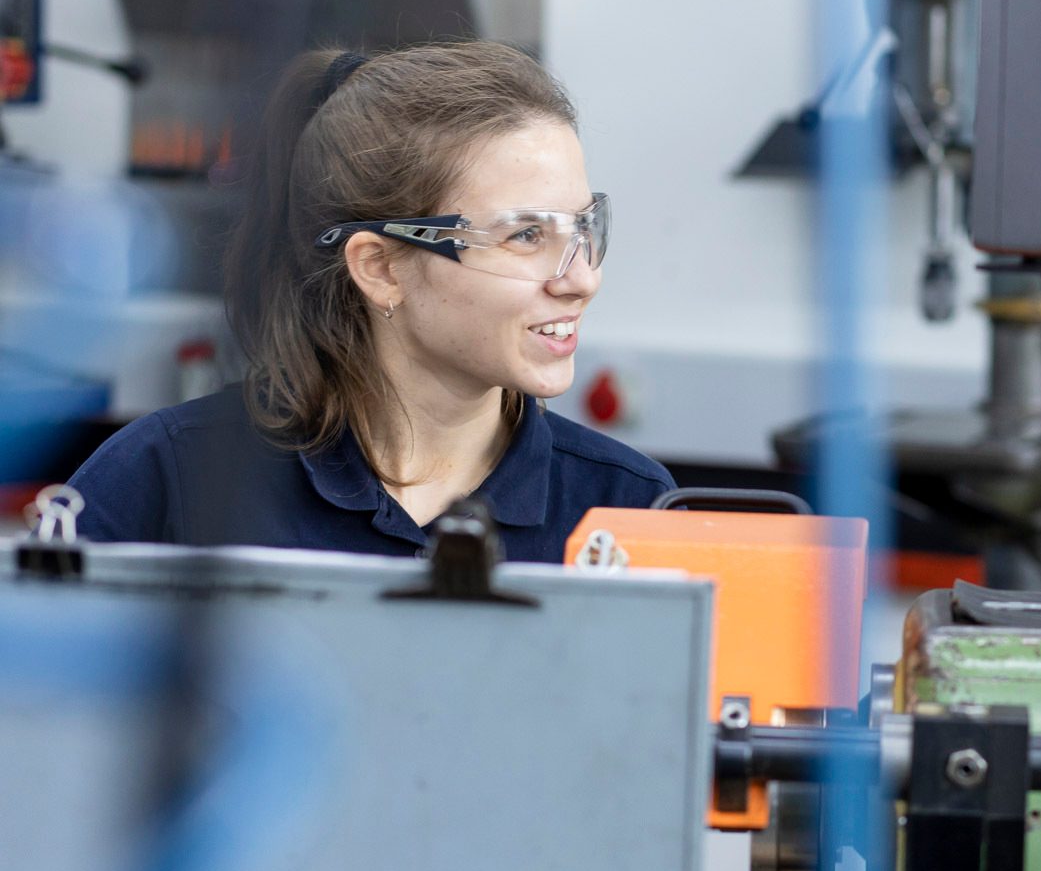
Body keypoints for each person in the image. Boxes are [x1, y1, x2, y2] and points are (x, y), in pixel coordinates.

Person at [68, 42, 673, 561]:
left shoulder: (626, 506)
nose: (581, 280)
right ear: (380, 268)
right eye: (525, 236)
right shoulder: (167, 479)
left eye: (582, 230)